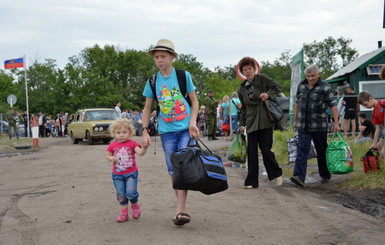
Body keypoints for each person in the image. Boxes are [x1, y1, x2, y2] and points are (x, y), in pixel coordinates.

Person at [141, 39, 199, 226]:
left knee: (182, 166)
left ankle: (180, 209)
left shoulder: (183, 76)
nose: (159, 60)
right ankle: (183, 206)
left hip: (184, 129)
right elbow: (147, 108)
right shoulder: (152, 81)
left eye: (163, 56)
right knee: (172, 169)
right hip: (166, 132)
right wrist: (144, 130)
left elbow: (194, 101)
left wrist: (192, 122)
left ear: (172, 57)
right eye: (156, 57)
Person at [237, 57, 283, 188]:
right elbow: (244, 109)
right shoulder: (241, 89)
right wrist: (241, 124)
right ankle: (251, 181)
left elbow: (277, 87)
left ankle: (276, 174)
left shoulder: (262, 79)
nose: (248, 71)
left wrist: (268, 95)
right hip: (251, 123)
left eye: (250, 69)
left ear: (254, 69)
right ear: (242, 72)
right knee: (251, 152)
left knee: (266, 150)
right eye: (245, 70)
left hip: (265, 120)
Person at [290, 64, 340, 187]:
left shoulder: (325, 86)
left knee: (321, 150)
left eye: (313, 76)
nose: (311, 78)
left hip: (319, 125)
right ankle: (299, 177)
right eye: (308, 76)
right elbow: (298, 103)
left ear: (318, 74)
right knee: (302, 149)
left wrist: (336, 123)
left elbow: (333, 106)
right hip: (303, 124)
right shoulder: (301, 85)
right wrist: (295, 119)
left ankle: (325, 175)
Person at [106, 118, 148, 223]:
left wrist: (144, 147)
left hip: (131, 174)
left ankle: (135, 206)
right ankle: (124, 213)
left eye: (124, 132)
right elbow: (108, 155)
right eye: (118, 132)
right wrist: (111, 158)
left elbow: (140, 153)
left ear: (129, 132)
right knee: (121, 194)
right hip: (117, 175)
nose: (121, 135)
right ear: (114, 133)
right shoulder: (113, 145)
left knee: (131, 192)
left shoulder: (132, 143)